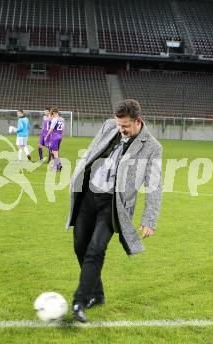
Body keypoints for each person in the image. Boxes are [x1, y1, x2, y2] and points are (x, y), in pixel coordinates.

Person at [66, 99, 163, 323]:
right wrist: (75, 178)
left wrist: (149, 219)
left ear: (138, 121)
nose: (121, 129)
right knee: (80, 245)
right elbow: (91, 152)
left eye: (125, 126)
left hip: (113, 206)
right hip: (90, 196)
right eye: (119, 125)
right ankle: (97, 295)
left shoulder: (152, 147)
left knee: (96, 249)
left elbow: (155, 185)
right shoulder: (109, 126)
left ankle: (80, 301)